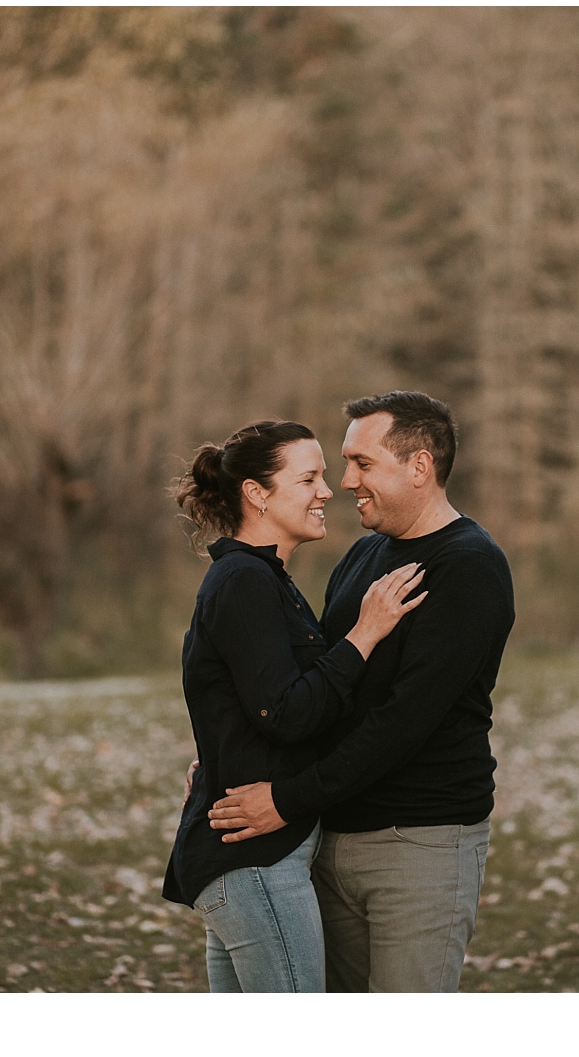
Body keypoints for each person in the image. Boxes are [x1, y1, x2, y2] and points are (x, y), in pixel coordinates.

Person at [208, 391, 515, 992]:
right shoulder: (362, 556)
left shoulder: (469, 566)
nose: (346, 481)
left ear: (420, 467)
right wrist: (237, 753)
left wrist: (288, 798)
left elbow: (403, 722)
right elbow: (322, 689)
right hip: (330, 839)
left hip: (420, 845)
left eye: (362, 463)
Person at [162, 420, 426, 993]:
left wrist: (218, 750)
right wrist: (364, 635)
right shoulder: (244, 580)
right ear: (257, 493)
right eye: (308, 478)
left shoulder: (263, 580)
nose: (327, 490)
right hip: (256, 863)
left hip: (252, 861)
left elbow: (240, 699)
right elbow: (284, 712)